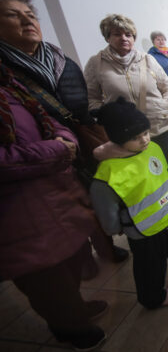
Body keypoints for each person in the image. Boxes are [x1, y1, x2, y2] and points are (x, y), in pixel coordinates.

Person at [0, 0, 128, 274]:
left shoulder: (59, 59)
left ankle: (105, 245)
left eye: (30, 14)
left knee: (93, 192)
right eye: (13, 15)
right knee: (66, 208)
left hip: (80, 137)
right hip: (41, 154)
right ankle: (81, 257)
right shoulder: (6, 72)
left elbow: (81, 100)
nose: (27, 21)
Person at [0, 61, 107, 351]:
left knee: (72, 257)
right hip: (15, 209)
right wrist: (56, 150)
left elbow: (50, 117)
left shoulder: (12, 83)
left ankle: (73, 308)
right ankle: (69, 327)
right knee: (45, 275)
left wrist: (65, 138)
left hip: (53, 191)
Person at [91, 98, 168, 309]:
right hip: (142, 229)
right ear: (118, 138)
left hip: (166, 215)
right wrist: (114, 228)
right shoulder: (108, 172)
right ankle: (152, 297)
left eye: (145, 133)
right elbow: (106, 209)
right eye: (135, 137)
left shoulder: (153, 148)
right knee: (150, 262)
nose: (144, 140)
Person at [84, 14, 168, 161]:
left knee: (163, 168)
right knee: (136, 170)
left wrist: (165, 105)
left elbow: (167, 87)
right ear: (107, 37)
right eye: (117, 34)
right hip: (126, 135)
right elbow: (91, 97)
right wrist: (107, 116)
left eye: (128, 34)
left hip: (157, 127)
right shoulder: (96, 64)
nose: (124, 38)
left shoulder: (147, 59)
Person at [148, 31, 168, 123]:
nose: (161, 41)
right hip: (163, 88)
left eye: (163, 39)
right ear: (153, 41)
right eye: (158, 39)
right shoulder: (151, 55)